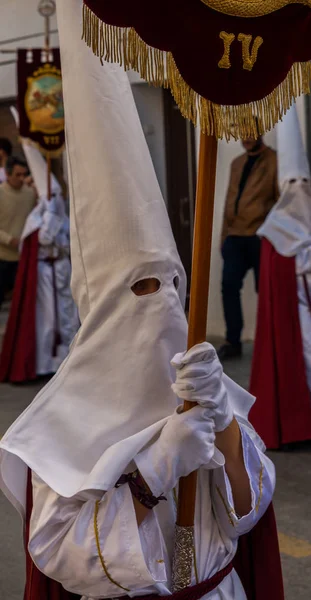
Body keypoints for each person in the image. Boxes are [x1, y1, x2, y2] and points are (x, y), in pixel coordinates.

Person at [0, 2, 283, 599]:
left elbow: (248, 512)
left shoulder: (204, 386)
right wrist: (156, 469)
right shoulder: (69, 426)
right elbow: (59, 550)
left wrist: (226, 425)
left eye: (173, 288)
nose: (164, 307)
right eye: (141, 290)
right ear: (104, 312)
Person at [250, 103, 311, 449]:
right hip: (294, 319)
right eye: (292, 182)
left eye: (304, 182)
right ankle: (295, 424)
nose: (299, 188)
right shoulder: (273, 234)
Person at [0, 138, 79, 383]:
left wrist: (56, 218)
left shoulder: (57, 211)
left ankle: (68, 360)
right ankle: (46, 363)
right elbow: (43, 239)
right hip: (44, 270)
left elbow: (65, 239)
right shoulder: (38, 214)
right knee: (47, 320)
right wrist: (50, 219)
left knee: (67, 316)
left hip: (62, 268)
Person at [218, 125, 278, 360]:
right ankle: (233, 342)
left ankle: (270, 344)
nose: (247, 138)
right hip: (235, 237)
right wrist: (223, 236)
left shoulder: (274, 161)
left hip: (260, 237)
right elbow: (228, 201)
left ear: (260, 132)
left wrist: (270, 232)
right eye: (243, 134)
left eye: (251, 132)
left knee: (266, 292)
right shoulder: (236, 163)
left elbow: (280, 200)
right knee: (229, 288)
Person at [0, 156, 36, 308]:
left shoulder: (30, 194)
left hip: (24, 257)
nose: (22, 179)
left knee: (23, 303)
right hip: (2, 256)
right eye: (18, 175)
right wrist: (10, 240)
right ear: (7, 174)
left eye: (24, 174)